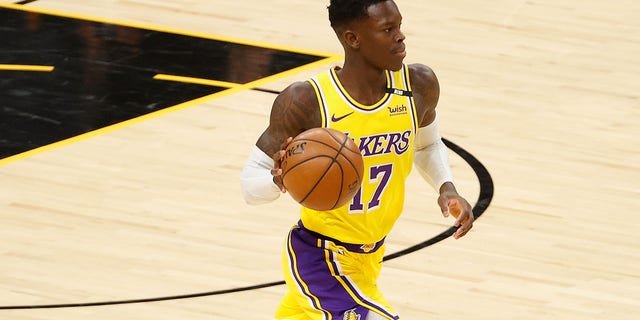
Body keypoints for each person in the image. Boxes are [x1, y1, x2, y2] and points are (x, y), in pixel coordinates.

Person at [240, 1, 474, 319]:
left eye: (400, 26)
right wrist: (277, 180)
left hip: (371, 257)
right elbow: (250, 184)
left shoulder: (418, 86)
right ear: (353, 39)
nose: (401, 37)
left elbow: (427, 145)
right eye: (387, 30)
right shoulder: (307, 100)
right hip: (319, 256)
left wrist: (446, 187)